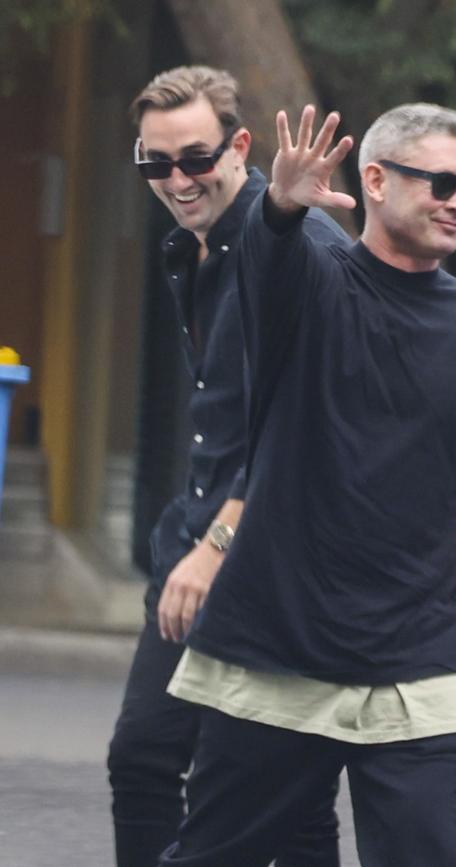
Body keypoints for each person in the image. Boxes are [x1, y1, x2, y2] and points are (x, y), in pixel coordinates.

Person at [160, 103, 456, 867]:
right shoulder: (308, 285)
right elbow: (267, 258)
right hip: (277, 648)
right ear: (377, 179)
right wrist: (281, 206)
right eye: (441, 182)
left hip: (417, 663)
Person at [106, 68, 348, 867]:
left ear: (241, 145)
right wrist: (194, 542)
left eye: (196, 158)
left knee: (289, 799)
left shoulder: (297, 245)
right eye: (155, 164)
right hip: (195, 543)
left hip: (270, 557)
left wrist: (217, 543)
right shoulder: (189, 248)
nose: (177, 181)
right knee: (147, 758)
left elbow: (307, 424)